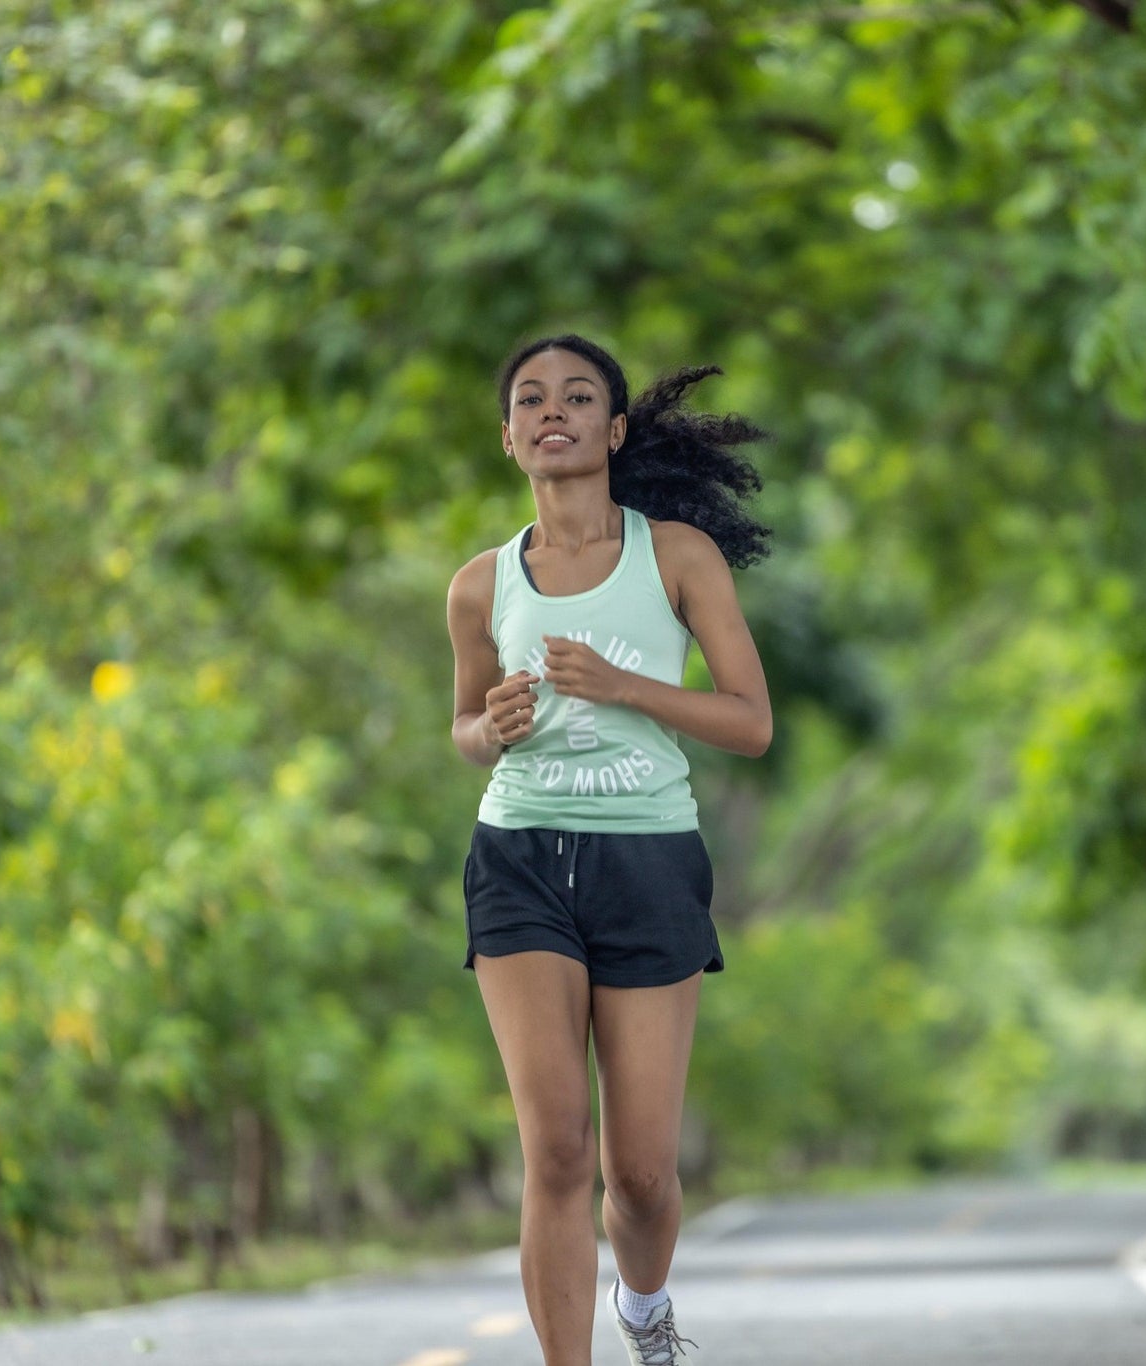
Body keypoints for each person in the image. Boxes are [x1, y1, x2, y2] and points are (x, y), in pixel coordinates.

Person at [445, 333, 773, 1366]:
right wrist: (486, 726)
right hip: (520, 860)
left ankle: (644, 1309)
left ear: (613, 429)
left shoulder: (675, 556)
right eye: (532, 399)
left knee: (638, 1175)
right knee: (555, 1151)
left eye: (578, 396)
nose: (554, 410)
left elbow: (749, 721)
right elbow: (461, 728)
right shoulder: (478, 584)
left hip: (647, 863)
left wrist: (622, 685)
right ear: (508, 437)